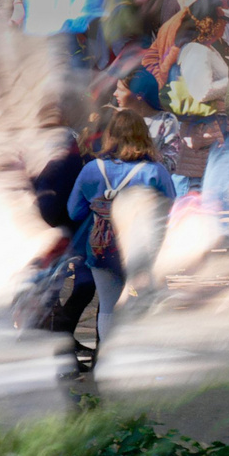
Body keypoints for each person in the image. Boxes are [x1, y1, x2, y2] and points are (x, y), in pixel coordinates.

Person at [64, 111, 177, 361]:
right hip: (143, 250)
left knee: (107, 306)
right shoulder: (155, 171)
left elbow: (74, 211)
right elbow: (170, 208)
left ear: (110, 136)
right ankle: (143, 358)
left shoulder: (92, 169)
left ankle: (109, 360)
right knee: (146, 303)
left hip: (101, 248)